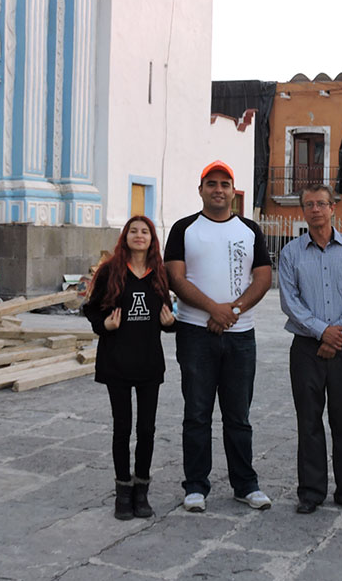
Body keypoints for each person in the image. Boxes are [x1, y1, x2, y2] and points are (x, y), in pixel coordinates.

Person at [164, 160, 274, 512]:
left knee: (238, 415)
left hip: (241, 336)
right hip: (195, 335)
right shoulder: (184, 229)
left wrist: (233, 312)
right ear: (201, 190)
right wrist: (214, 309)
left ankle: (245, 484)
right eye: (211, 184)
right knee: (197, 413)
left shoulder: (249, 230)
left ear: (233, 192)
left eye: (224, 184)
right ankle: (196, 485)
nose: (218, 190)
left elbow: (263, 278)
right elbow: (176, 279)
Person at [278, 184, 342, 515]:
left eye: (321, 203)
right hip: (306, 347)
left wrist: (337, 335)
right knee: (309, 420)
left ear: (333, 208)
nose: (315, 209)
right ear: (302, 211)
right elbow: (290, 302)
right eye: (309, 205)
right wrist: (322, 333)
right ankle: (311, 492)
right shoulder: (290, 253)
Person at [83, 216, 176, 521]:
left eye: (145, 231)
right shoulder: (111, 270)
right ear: (125, 237)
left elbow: (167, 316)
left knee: (146, 429)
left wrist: (170, 324)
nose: (139, 235)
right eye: (133, 231)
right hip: (117, 361)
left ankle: (142, 489)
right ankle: (123, 491)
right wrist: (104, 325)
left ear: (152, 239)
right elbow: (91, 308)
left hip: (149, 361)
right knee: (122, 427)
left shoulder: (159, 273)